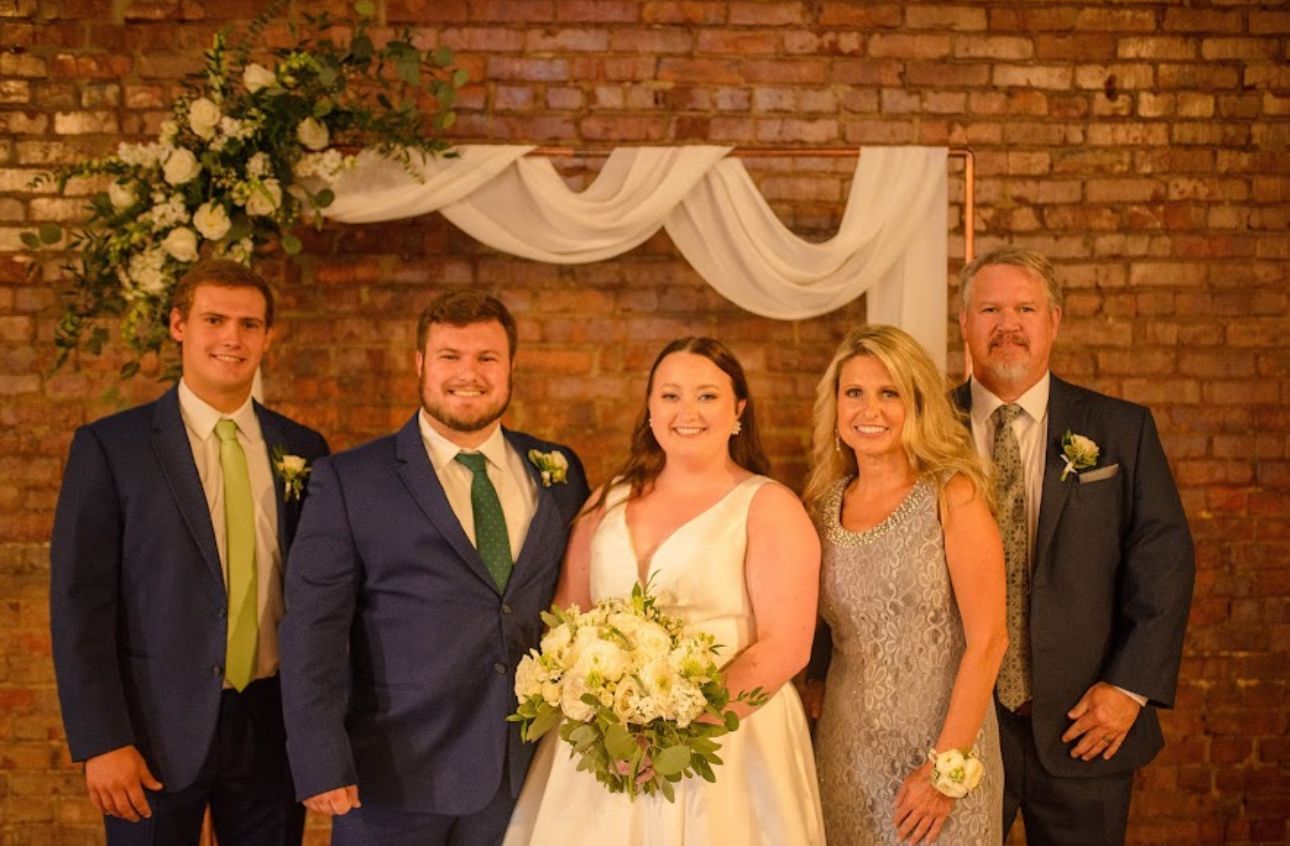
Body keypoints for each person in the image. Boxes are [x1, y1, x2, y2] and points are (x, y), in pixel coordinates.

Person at [278, 291, 590, 846]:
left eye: (487, 358)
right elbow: (312, 629)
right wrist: (319, 757)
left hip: (521, 773)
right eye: (450, 356)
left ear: (511, 366)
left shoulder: (557, 470)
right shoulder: (351, 480)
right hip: (393, 777)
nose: (469, 373)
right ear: (420, 363)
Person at [504, 336, 825, 846]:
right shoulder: (606, 501)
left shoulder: (769, 506)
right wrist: (606, 724)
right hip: (608, 744)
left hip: (729, 747)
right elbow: (566, 618)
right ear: (650, 408)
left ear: (739, 409)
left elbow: (786, 646)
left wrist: (675, 737)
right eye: (670, 395)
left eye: (707, 396)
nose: (687, 412)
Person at [50, 259, 328, 845]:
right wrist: (103, 739)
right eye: (215, 320)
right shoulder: (112, 447)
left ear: (268, 337)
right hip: (152, 729)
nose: (233, 338)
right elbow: (80, 605)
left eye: (249, 324)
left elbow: (320, 593)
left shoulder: (303, 448)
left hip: (271, 724)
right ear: (179, 325)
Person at [953, 246, 1195, 844]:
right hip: (957, 724)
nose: (1008, 325)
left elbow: (1164, 564)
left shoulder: (1121, 429)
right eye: (990, 309)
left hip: (1086, 721)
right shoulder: (923, 428)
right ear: (964, 323)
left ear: (1054, 320)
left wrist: (1129, 688)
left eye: (1025, 308)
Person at [803, 325, 1008, 845]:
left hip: (943, 747)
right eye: (854, 392)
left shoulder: (953, 495)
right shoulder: (821, 507)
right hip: (847, 753)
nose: (869, 410)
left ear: (916, 404)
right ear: (835, 406)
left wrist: (945, 771)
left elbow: (989, 640)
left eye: (889, 393)